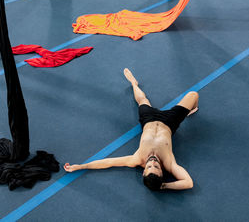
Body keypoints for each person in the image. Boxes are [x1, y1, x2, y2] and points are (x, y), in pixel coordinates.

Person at [64, 68, 199, 190]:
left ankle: (134, 83)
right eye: (156, 167)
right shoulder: (169, 164)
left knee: (142, 100)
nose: (152, 162)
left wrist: (81, 166)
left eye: (149, 167)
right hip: (170, 122)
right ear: (162, 171)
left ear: (144, 171)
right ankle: (191, 110)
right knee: (193, 95)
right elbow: (188, 183)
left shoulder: (137, 159)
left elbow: (108, 162)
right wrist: (163, 186)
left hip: (149, 120)